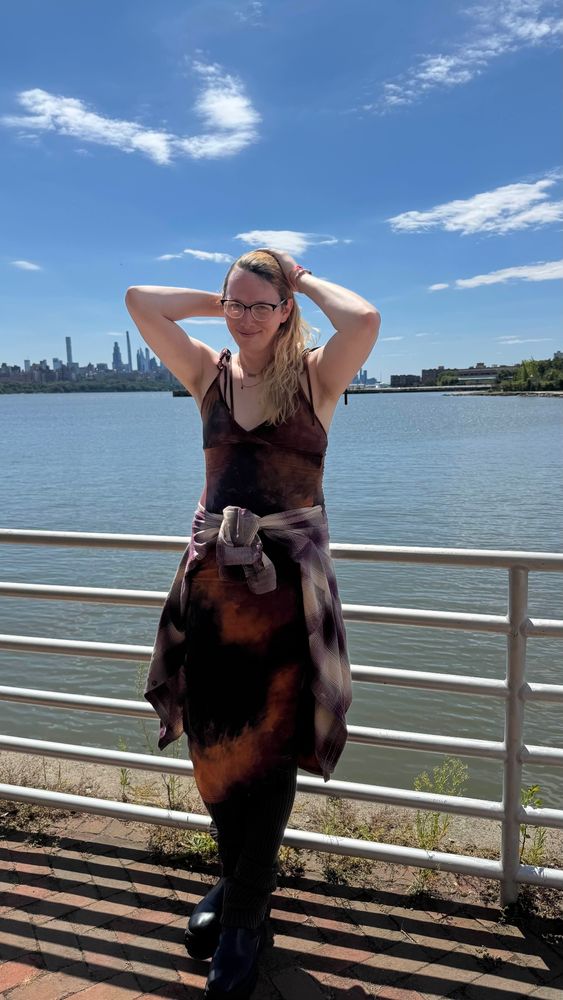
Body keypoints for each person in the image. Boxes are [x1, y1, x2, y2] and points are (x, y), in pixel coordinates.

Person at [125, 248, 380, 998]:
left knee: (265, 758)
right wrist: (232, 303)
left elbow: (363, 319)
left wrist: (290, 284)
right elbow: (141, 299)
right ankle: (238, 886)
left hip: (285, 599)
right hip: (211, 593)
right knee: (214, 751)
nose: (244, 318)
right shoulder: (206, 374)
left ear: (288, 310)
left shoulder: (316, 381)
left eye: (260, 306)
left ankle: (242, 918)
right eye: (236, 305)